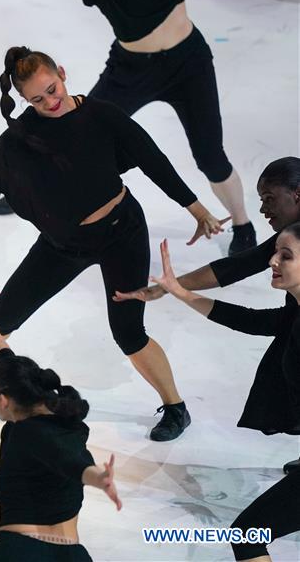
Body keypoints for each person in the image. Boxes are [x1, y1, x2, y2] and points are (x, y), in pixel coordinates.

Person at [0, 46, 226, 441]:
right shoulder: (17, 141)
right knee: (4, 316)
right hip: (63, 242)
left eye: (52, 90)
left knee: (128, 332)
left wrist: (197, 210)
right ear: (23, 100)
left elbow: (154, 161)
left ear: (63, 73)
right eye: (37, 99)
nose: (50, 102)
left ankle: (176, 407)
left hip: (120, 233)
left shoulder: (102, 116)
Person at [0, 0, 256, 257]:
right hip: (130, 69)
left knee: (211, 156)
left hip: (188, 64)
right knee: (72, 129)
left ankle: (243, 224)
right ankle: (26, 190)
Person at [115, 156, 300, 473]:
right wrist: (174, 289)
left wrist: (176, 290)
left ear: (297, 194)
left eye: (270, 199)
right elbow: (242, 268)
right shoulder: (293, 235)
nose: (262, 210)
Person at [0, 274, 121, 562]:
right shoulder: (60, 412)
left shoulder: (31, 433)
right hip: (73, 555)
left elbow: (69, 461)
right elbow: (4, 357)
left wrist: (96, 477)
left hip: (21, 554)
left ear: (3, 400)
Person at [148, 232, 300, 561]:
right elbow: (250, 319)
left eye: (285, 256)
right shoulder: (296, 313)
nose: (272, 261)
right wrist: (181, 293)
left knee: (247, 536)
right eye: (275, 253)